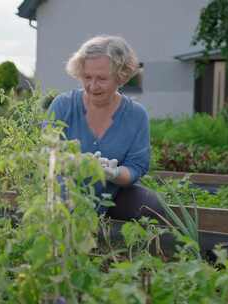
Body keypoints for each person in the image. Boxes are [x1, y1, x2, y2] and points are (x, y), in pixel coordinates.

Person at [47, 35, 164, 221]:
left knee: (151, 205)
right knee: (60, 196)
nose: (92, 86)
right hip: (66, 192)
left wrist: (114, 173)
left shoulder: (136, 116)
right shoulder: (63, 105)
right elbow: (47, 154)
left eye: (101, 78)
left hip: (112, 196)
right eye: (87, 77)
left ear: (121, 76)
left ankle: (115, 239)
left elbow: (136, 166)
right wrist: (73, 163)